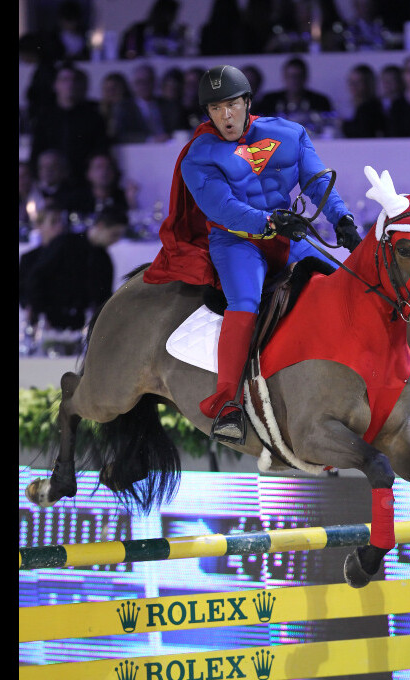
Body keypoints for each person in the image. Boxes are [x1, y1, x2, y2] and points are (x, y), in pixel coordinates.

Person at [143, 64, 361, 442]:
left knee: (346, 285)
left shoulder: (290, 134)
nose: (225, 116)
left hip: (287, 233)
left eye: (231, 105)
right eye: (215, 109)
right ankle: (227, 403)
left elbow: (317, 179)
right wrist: (273, 222)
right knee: (243, 303)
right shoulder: (199, 156)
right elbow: (222, 208)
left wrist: (341, 218)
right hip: (236, 241)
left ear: (247, 102)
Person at [22, 207, 128, 335]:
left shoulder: (104, 259)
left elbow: (103, 297)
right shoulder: (65, 243)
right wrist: (39, 312)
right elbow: (37, 277)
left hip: (79, 325)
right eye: (114, 234)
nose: (116, 241)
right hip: (49, 320)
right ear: (100, 226)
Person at [29, 62, 109, 184]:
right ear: (55, 85)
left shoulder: (93, 117)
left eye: (74, 80)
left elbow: (100, 150)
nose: (70, 84)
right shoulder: (45, 118)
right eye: (64, 80)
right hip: (52, 182)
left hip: (84, 182)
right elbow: (37, 151)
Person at [19, 205, 68, 321]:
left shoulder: (71, 256)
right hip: (37, 317)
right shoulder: (29, 258)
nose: (59, 227)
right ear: (39, 226)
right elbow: (23, 292)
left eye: (61, 222)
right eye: (53, 222)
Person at [112, 63, 179, 144]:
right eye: (139, 82)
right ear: (133, 84)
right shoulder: (124, 107)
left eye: (148, 81)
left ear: (154, 82)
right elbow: (122, 135)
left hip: (169, 147)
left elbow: (177, 129)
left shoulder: (168, 105)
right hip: (139, 151)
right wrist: (151, 140)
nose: (144, 85)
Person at [64, 151, 133, 222]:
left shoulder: (122, 198)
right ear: (88, 174)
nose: (104, 172)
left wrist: (131, 200)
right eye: (98, 167)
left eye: (108, 167)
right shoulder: (76, 200)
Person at [255, 57, 333, 119]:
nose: (294, 80)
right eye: (290, 76)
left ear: (305, 77)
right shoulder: (269, 101)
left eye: (298, 76)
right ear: (284, 77)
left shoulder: (320, 101)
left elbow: (329, 126)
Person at [119, 0, 184, 59]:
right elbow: (127, 53)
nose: (171, 18)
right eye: (169, 15)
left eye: (173, 15)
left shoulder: (176, 33)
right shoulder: (137, 30)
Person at [342, 64, 386, 138]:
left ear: (368, 83)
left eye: (358, 82)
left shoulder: (371, 108)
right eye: (351, 81)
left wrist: (343, 125)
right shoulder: (348, 106)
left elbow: (362, 133)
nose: (353, 86)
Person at [98, 72, 133, 144]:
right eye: (107, 89)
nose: (110, 93)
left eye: (113, 89)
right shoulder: (99, 111)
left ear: (123, 89)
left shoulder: (133, 109)